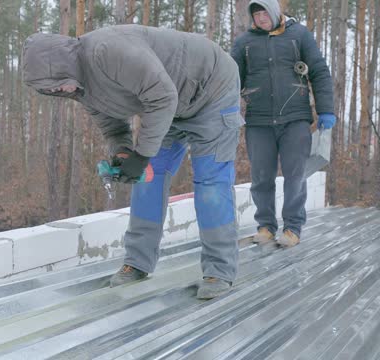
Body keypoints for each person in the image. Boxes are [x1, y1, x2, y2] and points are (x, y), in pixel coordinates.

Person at [23, 25, 243, 300]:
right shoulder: (80, 88)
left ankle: (219, 270)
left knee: (210, 183)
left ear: (60, 63)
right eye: (50, 90)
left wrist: (142, 154)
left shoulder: (111, 52)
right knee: (148, 179)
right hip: (170, 107)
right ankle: (138, 262)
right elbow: (113, 127)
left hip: (211, 91)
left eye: (54, 82)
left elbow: (162, 96)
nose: (58, 90)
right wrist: (125, 155)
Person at [231, 0, 335, 247]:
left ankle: (292, 228)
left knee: (295, 175)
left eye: (264, 12)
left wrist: (326, 110)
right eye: (256, 14)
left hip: (295, 119)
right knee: (261, 177)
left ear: (275, 12)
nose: (261, 17)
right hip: (258, 120)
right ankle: (266, 226)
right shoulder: (244, 42)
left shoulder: (299, 34)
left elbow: (319, 71)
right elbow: (231, 80)